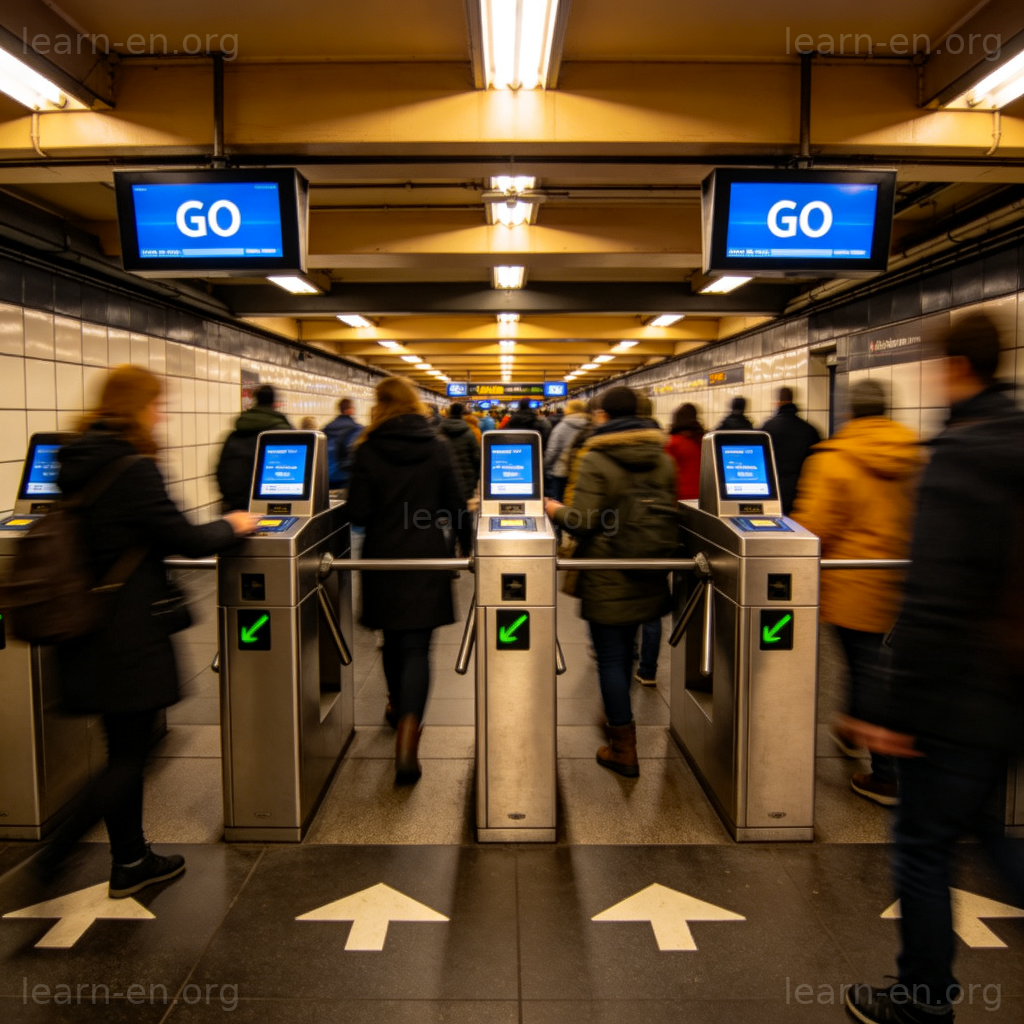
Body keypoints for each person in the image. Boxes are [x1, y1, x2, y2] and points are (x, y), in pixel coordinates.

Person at [841, 314, 1024, 1024]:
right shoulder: (1014, 440)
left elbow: (936, 596)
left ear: (952, 365)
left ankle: (923, 1001)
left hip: (956, 695)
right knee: (992, 834)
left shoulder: (957, 452)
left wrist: (887, 706)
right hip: (1011, 681)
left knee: (924, 848)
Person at [34, 365, 258, 898]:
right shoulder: (133, 467)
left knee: (124, 747)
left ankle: (131, 859)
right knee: (133, 754)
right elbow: (182, 536)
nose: (162, 414)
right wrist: (235, 525)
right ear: (139, 407)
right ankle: (57, 854)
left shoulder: (77, 461)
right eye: (158, 404)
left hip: (85, 625)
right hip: (128, 634)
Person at [791, 380, 923, 806]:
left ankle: (886, 775)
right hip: (896, 578)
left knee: (866, 665)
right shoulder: (913, 454)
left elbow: (816, 525)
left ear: (849, 413)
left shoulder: (834, 459)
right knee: (869, 661)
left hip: (851, 581)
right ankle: (850, 729)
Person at [545, 386, 675, 777]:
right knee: (631, 653)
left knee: (612, 658)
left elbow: (583, 520)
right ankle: (619, 719)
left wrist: (554, 509)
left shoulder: (596, 458)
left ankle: (623, 745)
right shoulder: (663, 459)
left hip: (606, 571)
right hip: (649, 567)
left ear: (602, 416)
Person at [346, 377, 469, 785]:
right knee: (417, 646)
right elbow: (455, 505)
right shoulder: (436, 447)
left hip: (383, 556)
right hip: (425, 557)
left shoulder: (366, 449)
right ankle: (408, 734)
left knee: (391, 639)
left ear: (378, 406)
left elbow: (358, 513)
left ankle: (395, 705)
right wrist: (467, 548)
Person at [216, 384, 293, 511]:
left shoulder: (235, 433)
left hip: (236, 507)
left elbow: (221, 471)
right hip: (272, 505)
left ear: (255, 400)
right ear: (274, 402)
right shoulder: (283, 431)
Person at [760, 386, 821, 515]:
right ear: (793, 400)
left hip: (773, 491)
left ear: (777, 402)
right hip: (800, 493)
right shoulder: (809, 430)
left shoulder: (767, 428)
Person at [543, 398, 589, 503]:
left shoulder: (561, 427)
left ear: (569, 410)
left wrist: (544, 468)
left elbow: (552, 451)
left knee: (557, 503)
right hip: (582, 472)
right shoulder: (591, 425)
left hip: (561, 472)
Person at [438, 402, 481, 510]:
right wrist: (475, 479)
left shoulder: (439, 431)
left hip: (444, 478)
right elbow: (476, 457)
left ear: (448, 413)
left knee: (444, 509)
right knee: (463, 511)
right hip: (466, 479)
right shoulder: (469, 432)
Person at [665, 402, 705, 501]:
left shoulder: (673, 443)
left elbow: (666, 475)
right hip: (702, 498)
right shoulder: (702, 440)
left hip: (680, 499)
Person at [322, 397, 364, 490]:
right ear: (350, 410)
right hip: (345, 476)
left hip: (326, 475)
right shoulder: (356, 429)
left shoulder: (326, 428)